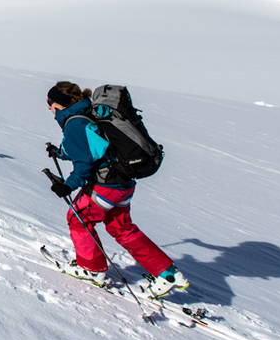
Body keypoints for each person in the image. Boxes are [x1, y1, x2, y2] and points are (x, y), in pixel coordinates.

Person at [45, 80, 189, 298]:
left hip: (104, 187)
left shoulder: (75, 123)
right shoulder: (89, 113)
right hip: (124, 183)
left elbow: (84, 164)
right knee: (121, 228)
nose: (49, 108)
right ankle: (167, 274)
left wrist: (67, 186)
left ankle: (91, 269)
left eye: (50, 103)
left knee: (78, 219)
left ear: (60, 104)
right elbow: (94, 146)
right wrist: (61, 152)